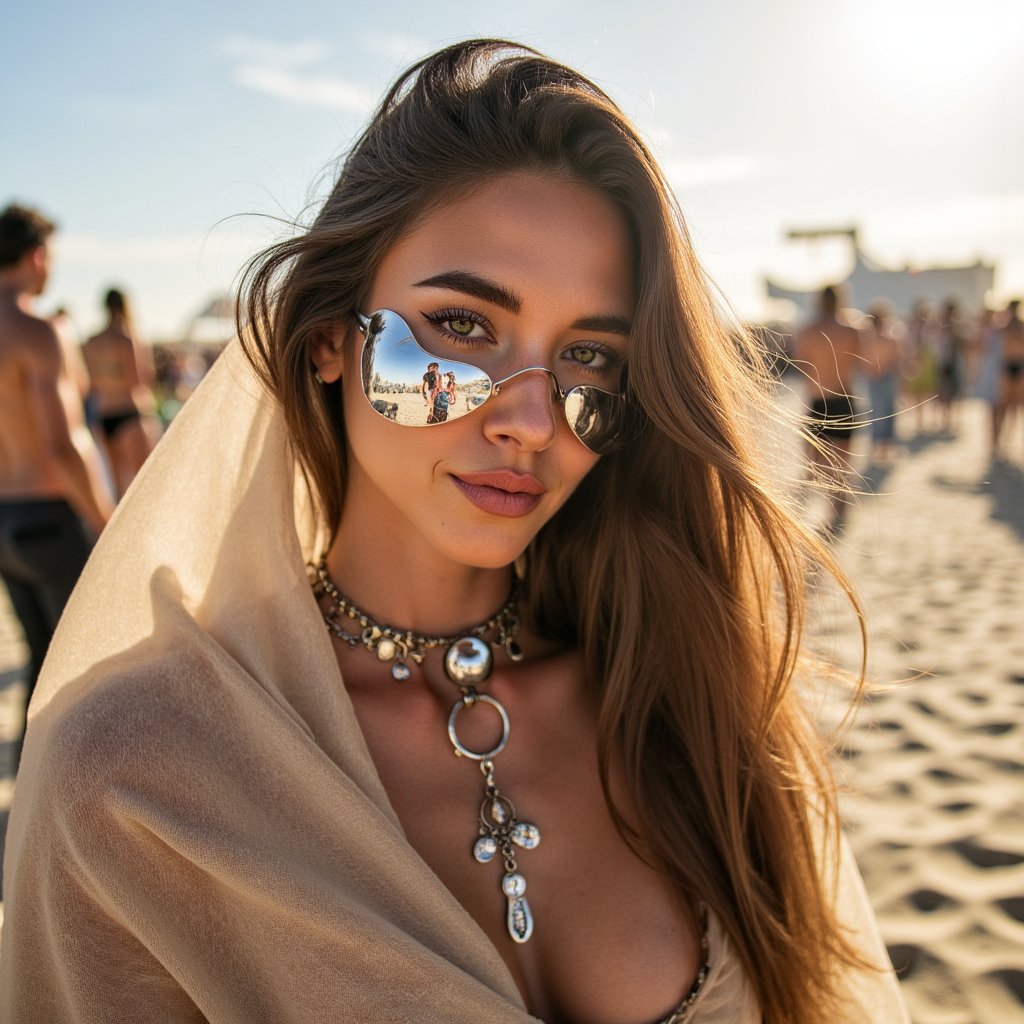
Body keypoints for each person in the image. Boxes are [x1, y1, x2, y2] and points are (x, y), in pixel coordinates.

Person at [0, 42, 908, 1024]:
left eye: (588, 354)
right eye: (462, 327)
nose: (530, 418)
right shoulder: (135, 775)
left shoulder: (682, 687)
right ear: (327, 342)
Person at [0, 204, 111, 750]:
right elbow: (65, 446)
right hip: (48, 518)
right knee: (79, 675)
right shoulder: (40, 331)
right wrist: (109, 522)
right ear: (37, 256)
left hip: (4, 520)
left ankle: (27, 807)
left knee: (39, 660)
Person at [792, 284, 863, 528]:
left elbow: (803, 364)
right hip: (843, 396)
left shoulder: (808, 331)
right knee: (842, 458)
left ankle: (818, 504)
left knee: (814, 458)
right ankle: (838, 505)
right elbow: (858, 361)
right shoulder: (851, 329)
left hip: (818, 397)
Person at [82, 287, 156, 497]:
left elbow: (91, 384)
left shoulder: (92, 341)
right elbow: (138, 381)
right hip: (129, 412)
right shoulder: (127, 338)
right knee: (144, 484)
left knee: (118, 490)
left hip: (104, 413)